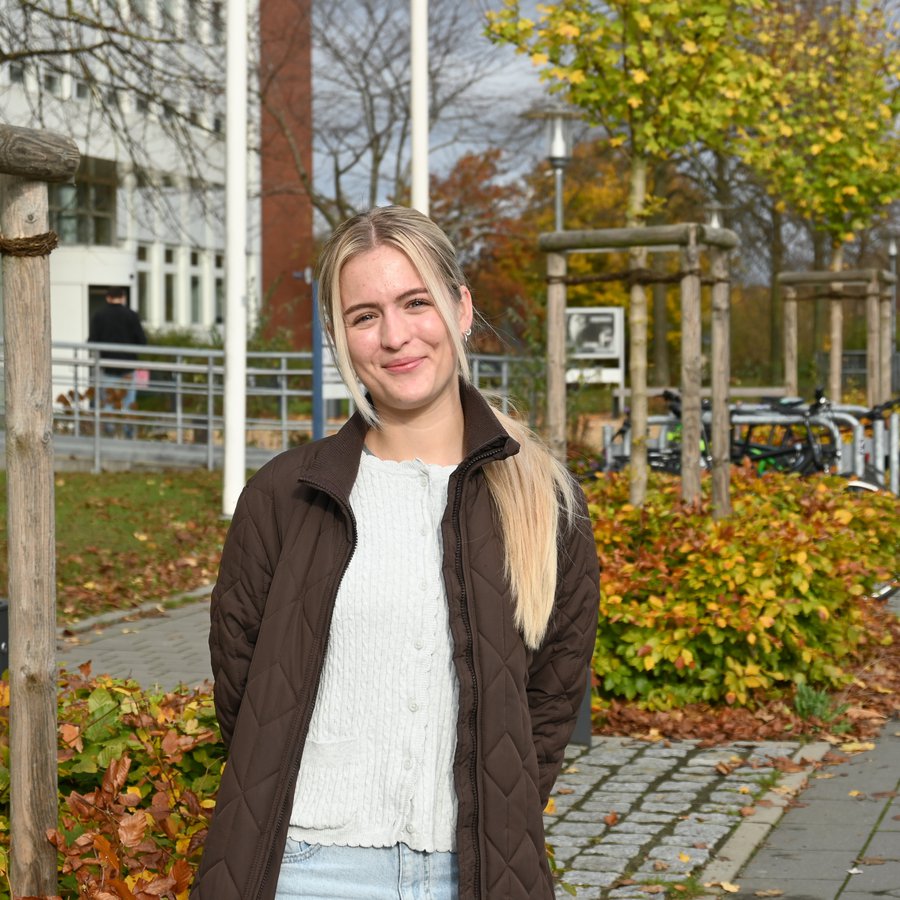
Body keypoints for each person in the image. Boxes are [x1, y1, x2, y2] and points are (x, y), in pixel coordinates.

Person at [191, 206, 600, 900]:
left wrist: (493, 825)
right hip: (308, 871)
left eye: (416, 303)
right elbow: (245, 692)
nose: (395, 336)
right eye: (365, 315)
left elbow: (548, 708)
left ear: (461, 308)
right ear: (341, 338)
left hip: (472, 874)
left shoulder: (547, 504)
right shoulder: (286, 497)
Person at [88, 286, 147, 437]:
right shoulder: (132, 316)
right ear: (123, 297)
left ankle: (109, 433)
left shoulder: (99, 316)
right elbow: (142, 341)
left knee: (107, 402)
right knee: (128, 403)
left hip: (107, 366)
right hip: (128, 367)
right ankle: (128, 433)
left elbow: (92, 341)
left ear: (108, 298)